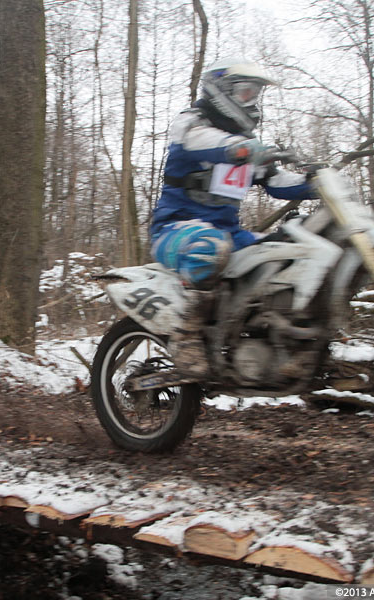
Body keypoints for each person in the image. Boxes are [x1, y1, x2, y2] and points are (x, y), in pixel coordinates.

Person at [150, 57, 319, 379]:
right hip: (174, 231)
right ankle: (186, 336)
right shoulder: (191, 123)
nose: (250, 100)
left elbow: (277, 182)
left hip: (231, 234)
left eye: (255, 94)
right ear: (220, 89)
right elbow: (206, 143)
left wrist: (318, 183)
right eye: (244, 92)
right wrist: (245, 148)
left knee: (290, 253)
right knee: (209, 246)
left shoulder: (245, 148)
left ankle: (277, 341)